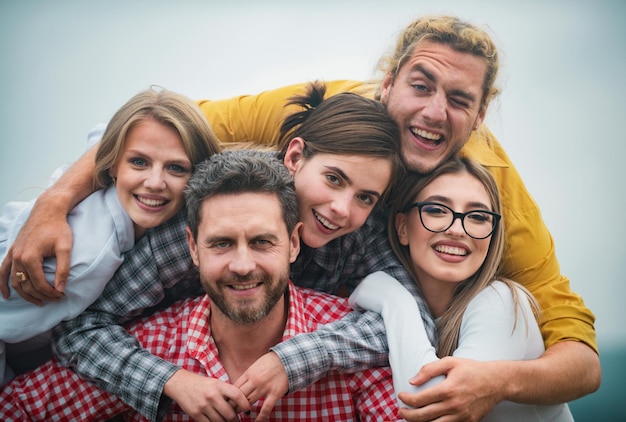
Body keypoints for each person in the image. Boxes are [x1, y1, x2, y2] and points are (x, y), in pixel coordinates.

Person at [1, 15, 600, 421]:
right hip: (138, 330)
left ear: (481, 115)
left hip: (287, 336)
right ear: (387, 82)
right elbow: (157, 124)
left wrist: (493, 384)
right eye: (421, 85)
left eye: (461, 100)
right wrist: (54, 204)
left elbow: (574, 342)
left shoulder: (474, 191)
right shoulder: (287, 130)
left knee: (503, 306)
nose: (435, 111)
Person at [0, 83, 405, 420]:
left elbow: (413, 319)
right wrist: (168, 381)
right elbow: (81, 330)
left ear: (293, 242)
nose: (342, 208)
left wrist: (297, 358)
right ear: (296, 156)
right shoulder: (214, 207)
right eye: (333, 179)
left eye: (366, 196)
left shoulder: (361, 230)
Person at [0, 87, 220, 386]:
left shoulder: (125, 176)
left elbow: (104, 133)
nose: (155, 182)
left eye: (176, 168)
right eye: (139, 162)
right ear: (112, 164)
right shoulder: (85, 260)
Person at [350, 156, 574, 421]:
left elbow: (432, 407)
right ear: (403, 227)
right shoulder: (414, 318)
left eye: (478, 216)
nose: (457, 229)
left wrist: (394, 299)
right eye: (436, 210)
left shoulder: (500, 303)